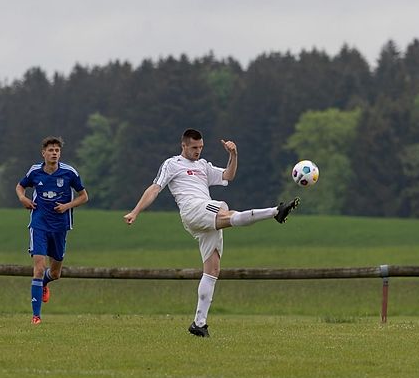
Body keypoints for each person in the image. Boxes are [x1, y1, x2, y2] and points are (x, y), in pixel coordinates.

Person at [123, 128, 299, 338]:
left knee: (212, 268)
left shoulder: (203, 165)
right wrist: (135, 211)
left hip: (204, 214)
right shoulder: (172, 164)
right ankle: (275, 212)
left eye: (201, 147)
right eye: (194, 147)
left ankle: (199, 324)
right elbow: (154, 189)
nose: (198, 151)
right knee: (227, 213)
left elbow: (228, 175)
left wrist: (233, 155)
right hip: (193, 209)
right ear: (183, 145)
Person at [15, 136, 88, 324]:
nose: (54, 153)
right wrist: (23, 198)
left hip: (60, 226)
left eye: (57, 150)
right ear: (43, 153)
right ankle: (36, 316)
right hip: (39, 224)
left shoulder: (69, 173)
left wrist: (67, 206)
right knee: (39, 269)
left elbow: (84, 196)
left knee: (55, 273)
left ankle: (45, 283)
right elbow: (20, 187)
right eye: (51, 150)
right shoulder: (35, 171)